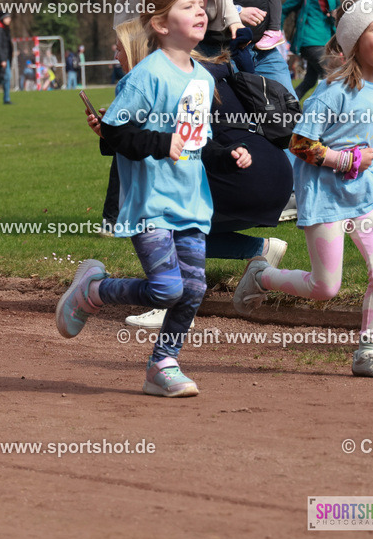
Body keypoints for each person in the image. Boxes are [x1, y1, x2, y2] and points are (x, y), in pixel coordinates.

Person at [56, 0, 251, 397]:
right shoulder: (147, 76)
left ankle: (163, 364)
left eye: (201, 5)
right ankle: (93, 291)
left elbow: (195, 138)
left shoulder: (203, 76)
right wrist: (161, 143)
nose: (200, 12)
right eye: (188, 6)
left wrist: (227, 154)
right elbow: (115, 132)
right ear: (161, 24)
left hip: (192, 203)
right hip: (151, 204)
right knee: (167, 289)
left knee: (194, 288)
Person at [233, 0, 373, 378]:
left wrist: (370, 170)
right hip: (324, 197)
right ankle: (261, 275)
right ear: (354, 41)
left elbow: (366, 142)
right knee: (325, 287)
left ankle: (369, 351)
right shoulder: (331, 93)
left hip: (364, 196)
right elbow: (299, 144)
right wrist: (345, 160)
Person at [98, 18, 289, 330]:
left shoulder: (165, 82)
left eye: (119, 48)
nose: (115, 55)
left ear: (136, 51)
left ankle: (156, 301)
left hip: (241, 172)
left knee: (169, 217)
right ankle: (258, 251)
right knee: (183, 225)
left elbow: (188, 146)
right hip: (268, 170)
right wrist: (112, 133)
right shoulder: (199, 75)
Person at [282, 0, 340, 99]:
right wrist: (276, 29)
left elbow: (337, 13)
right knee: (332, 76)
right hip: (309, 42)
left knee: (310, 80)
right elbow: (284, 9)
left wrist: (333, 14)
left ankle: (288, 106)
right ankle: (330, 112)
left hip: (326, 41)